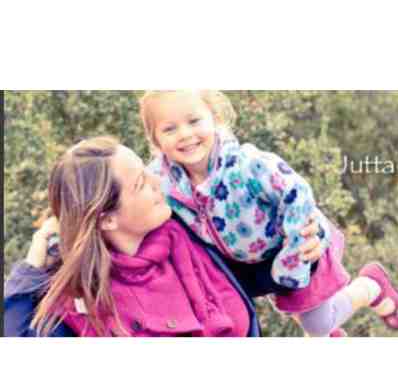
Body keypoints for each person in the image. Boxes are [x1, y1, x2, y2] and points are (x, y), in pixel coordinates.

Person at [139, 90, 398, 336]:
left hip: (294, 249)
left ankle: (370, 285)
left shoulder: (246, 165)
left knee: (318, 324)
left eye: (194, 121)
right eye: (170, 129)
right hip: (245, 263)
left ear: (214, 118)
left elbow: (296, 192)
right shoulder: (162, 181)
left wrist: (294, 257)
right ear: (156, 140)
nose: (185, 134)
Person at [3, 136, 324, 337]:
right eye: (140, 184)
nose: (157, 181)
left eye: (146, 170)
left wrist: (302, 250)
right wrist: (30, 267)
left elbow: (249, 278)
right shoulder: (77, 305)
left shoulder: (184, 231)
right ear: (107, 219)